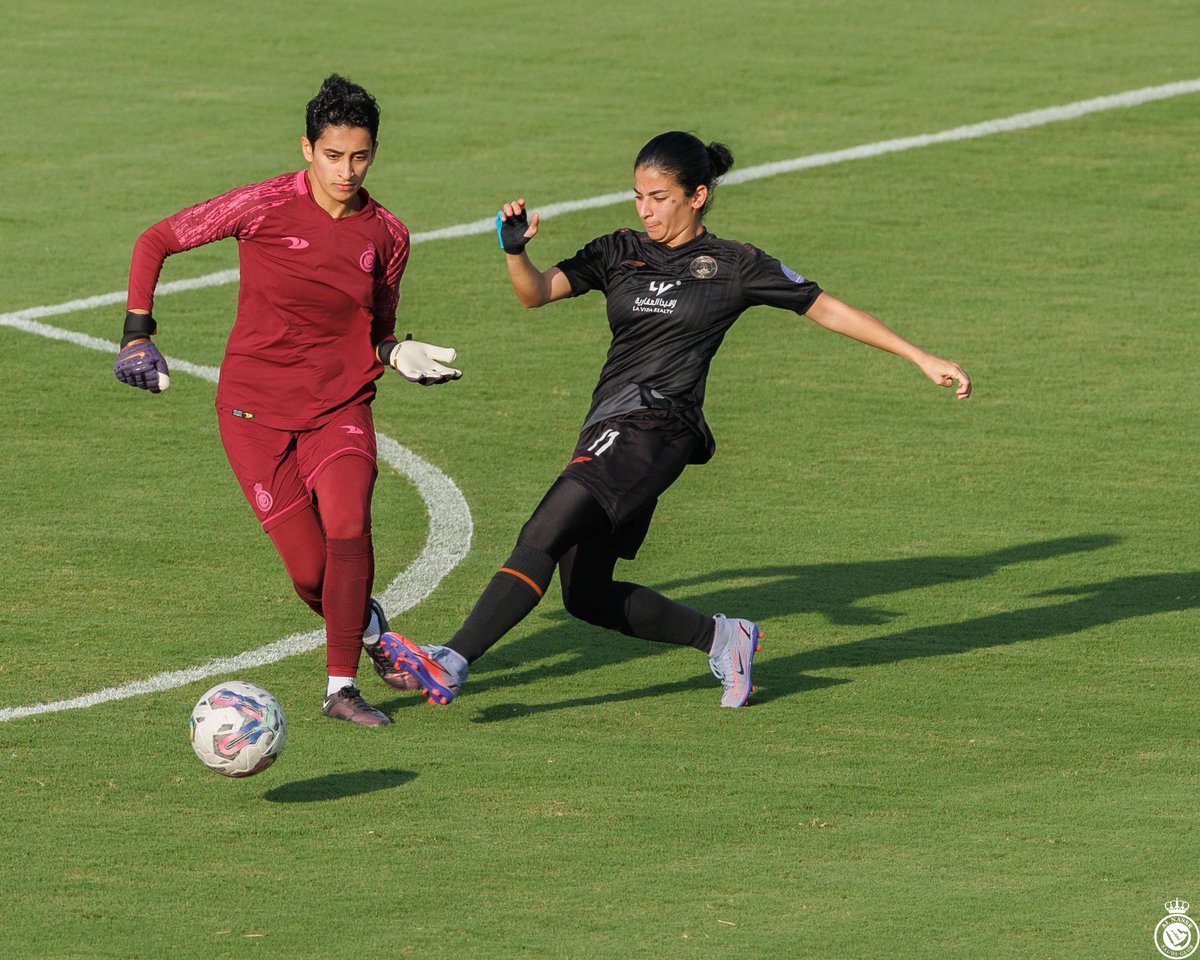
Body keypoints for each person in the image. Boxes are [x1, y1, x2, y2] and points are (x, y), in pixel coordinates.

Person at [367, 130, 970, 709]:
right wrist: (515, 249)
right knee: (587, 596)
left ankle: (454, 657)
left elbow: (824, 306)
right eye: (639, 196)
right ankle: (723, 638)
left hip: (659, 428)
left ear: (696, 196)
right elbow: (536, 293)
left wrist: (919, 356)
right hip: (609, 424)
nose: (647, 209)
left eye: (660, 198)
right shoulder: (619, 250)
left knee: (542, 530)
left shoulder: (733, 264)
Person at [114, 75, 461, 726]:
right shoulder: (264, 205)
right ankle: (371, 630)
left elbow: (379, 328)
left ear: (374, 152)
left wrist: (395, 353)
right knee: (311, 574)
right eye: (333, 155)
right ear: (307, 148)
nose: (346, 170)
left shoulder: (388, 235)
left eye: (360, 156)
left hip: (340, 405)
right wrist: (137, 335)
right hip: (253, 411)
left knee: (350, 525)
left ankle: (340, 689)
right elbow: (155, 239)